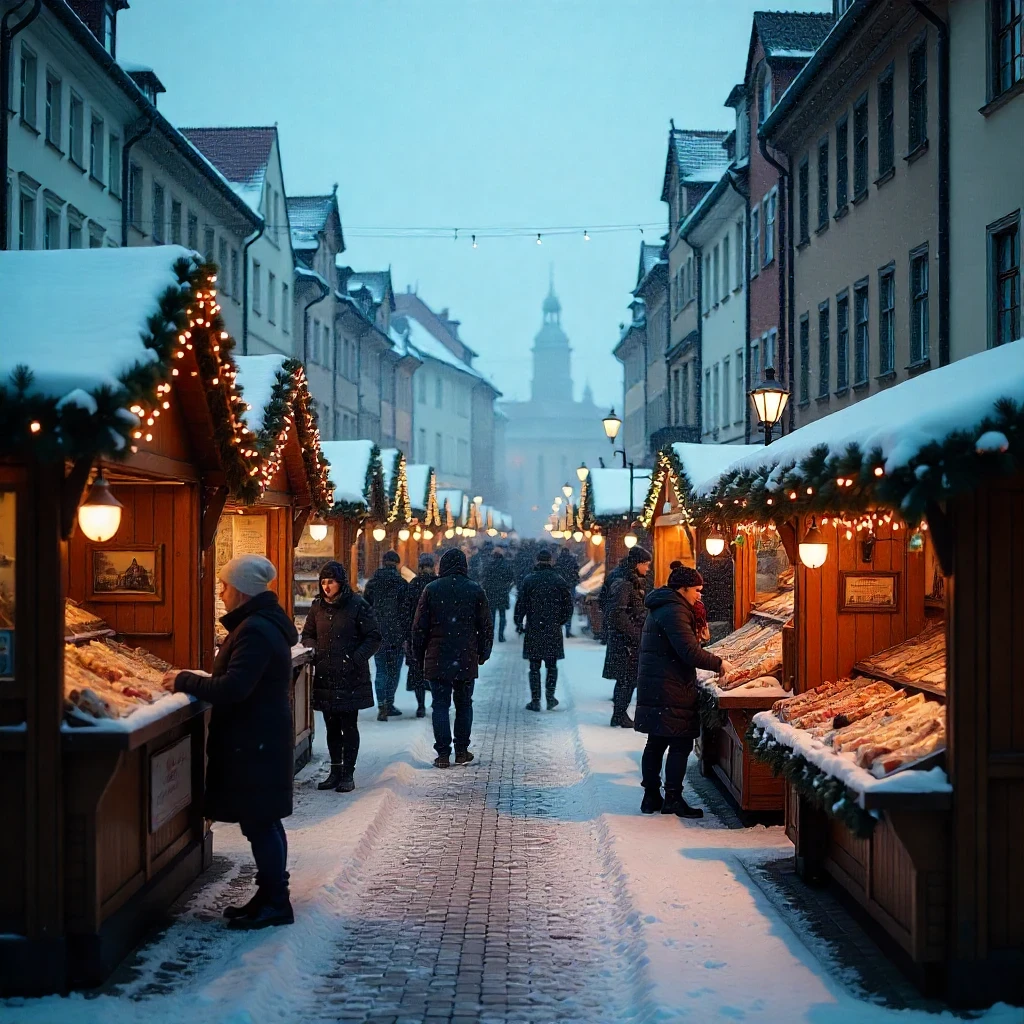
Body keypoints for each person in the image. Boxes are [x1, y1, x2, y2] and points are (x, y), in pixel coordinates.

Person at [165, 555, 298, 929]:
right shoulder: (260, 624)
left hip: (255, 742)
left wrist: (184, 680)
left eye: (224, 586)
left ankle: (275, 901)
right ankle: (270, 894)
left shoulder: (254, 629)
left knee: (260, 822)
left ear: (240, 590)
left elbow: (235, 687)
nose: (220, 592)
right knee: (264, 821)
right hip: (260, 739)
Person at [634, 565, 736, 818]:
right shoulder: (675, 610)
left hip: (658, 682)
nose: (699, 595)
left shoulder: (664, 605)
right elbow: (688, 651)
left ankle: (651, 797)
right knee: (680, 743)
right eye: (697, 590)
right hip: (670, 685)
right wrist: (718, 663)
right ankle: (672, 798)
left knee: (656, 742)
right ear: (683, 588)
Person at [301, 561, 382, 793]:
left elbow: (374, 636)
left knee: (349, 724)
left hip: (350, 677)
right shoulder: (317, 607)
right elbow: (308, 634)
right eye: (323, 582)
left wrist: (355, 658)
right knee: (331, 726)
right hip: (326, 675)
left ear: (341, 583)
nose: (326, 587)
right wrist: (312, 648)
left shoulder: (357, 605)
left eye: (331, 582)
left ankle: (348, 773)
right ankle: (335, 770)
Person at [412, 548, 493, 769]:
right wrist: (484, 652)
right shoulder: (475, 590)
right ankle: (461, 750)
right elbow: (485, 625)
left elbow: (419, 627)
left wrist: (418, 655)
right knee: (464, 704)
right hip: (465, 656)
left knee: (440, 705)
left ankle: (442, 753)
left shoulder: (431, 590)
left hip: (437, 656)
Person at [514, 548, 573, 711]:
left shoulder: (529, 580)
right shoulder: (559, 580)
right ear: (551, 560)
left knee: (534, 666)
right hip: (552, 627)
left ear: (537, 560)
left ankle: (535, 699)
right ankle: (550, 696)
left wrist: (518, 622)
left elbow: (521, 604)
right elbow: (568, 605)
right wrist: (560, 620)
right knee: (552, 664)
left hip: (534, 627)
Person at [602, 546, 652, 728]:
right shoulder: (625, 582)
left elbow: (605, 603)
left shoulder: (621, 577)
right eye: (646, 564)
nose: (647, 568)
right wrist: (636, 634)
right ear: (637, 563)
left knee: (625, 678)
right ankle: (620, 715)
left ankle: (619, 713)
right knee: (627, 679)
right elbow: (618, 614)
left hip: (623, 639)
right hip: (626, 641)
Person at [363, 550, 410, 720]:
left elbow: (365, 608)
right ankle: (389, 702)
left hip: (377, 633)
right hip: (396, 635)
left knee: (381, 669)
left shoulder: (372, 584)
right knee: (394, 670)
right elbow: (406, 612)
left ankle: (381, 703)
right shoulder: (402, 584)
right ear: (397, 564)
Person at [402, 552, 437, 717]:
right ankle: (436, 702)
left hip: (417, 634)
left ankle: (421, 705)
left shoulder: (414, 584)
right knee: (436, 671)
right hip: (435, 635)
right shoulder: (438, 584)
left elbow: (407, 612)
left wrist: (407, 635)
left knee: (418, 672)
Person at [481, 547, 515, 641]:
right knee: (502, 614)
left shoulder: (489, 565)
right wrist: (507, 587)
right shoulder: (506, 565)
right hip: (502, 593)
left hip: (491, 593)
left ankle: (490, 634)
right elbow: (511, 578)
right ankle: (501, 635)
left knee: (491, 615)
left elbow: (484, 578)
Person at [597, 555, 627, 645]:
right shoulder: (626, 576)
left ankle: (605, 637)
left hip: (610, 607)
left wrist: (603, 605)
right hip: (617, 610)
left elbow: (604, 592)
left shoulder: (613, 574)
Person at [555, 545, 581, 637]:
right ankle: (568, 629)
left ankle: (559, 627)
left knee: (559, 607)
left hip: (560, 588)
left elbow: (556, 573)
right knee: (569, 608)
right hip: (570, 587)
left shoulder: (558, 561)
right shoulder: (572, 560)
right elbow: (576, 571)